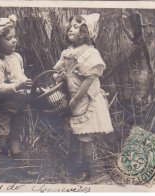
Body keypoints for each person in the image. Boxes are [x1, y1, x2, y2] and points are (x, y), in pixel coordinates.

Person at [53, 13, 113, 181]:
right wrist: (60, 76)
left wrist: (76, 98)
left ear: (85, 33)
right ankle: (73, 162)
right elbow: (58, 72)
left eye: (75, 26)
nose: (70, 28)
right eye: (70, 26)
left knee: (84, 133)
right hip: (70, 94)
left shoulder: (90, 53)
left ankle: (87, 167)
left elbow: (89, 79)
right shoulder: (67, 52)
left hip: (84, 97)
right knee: (73, 130)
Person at [0, 15, 33, 160]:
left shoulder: (17, 57)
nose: (14, 40)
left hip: (19, 103)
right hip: (5, 106)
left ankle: (17, 158)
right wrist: (18, 86)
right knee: (2, 136)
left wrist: (28, 87)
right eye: (8, 38)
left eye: (14, 37)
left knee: (15, 132)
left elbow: (20, 75)